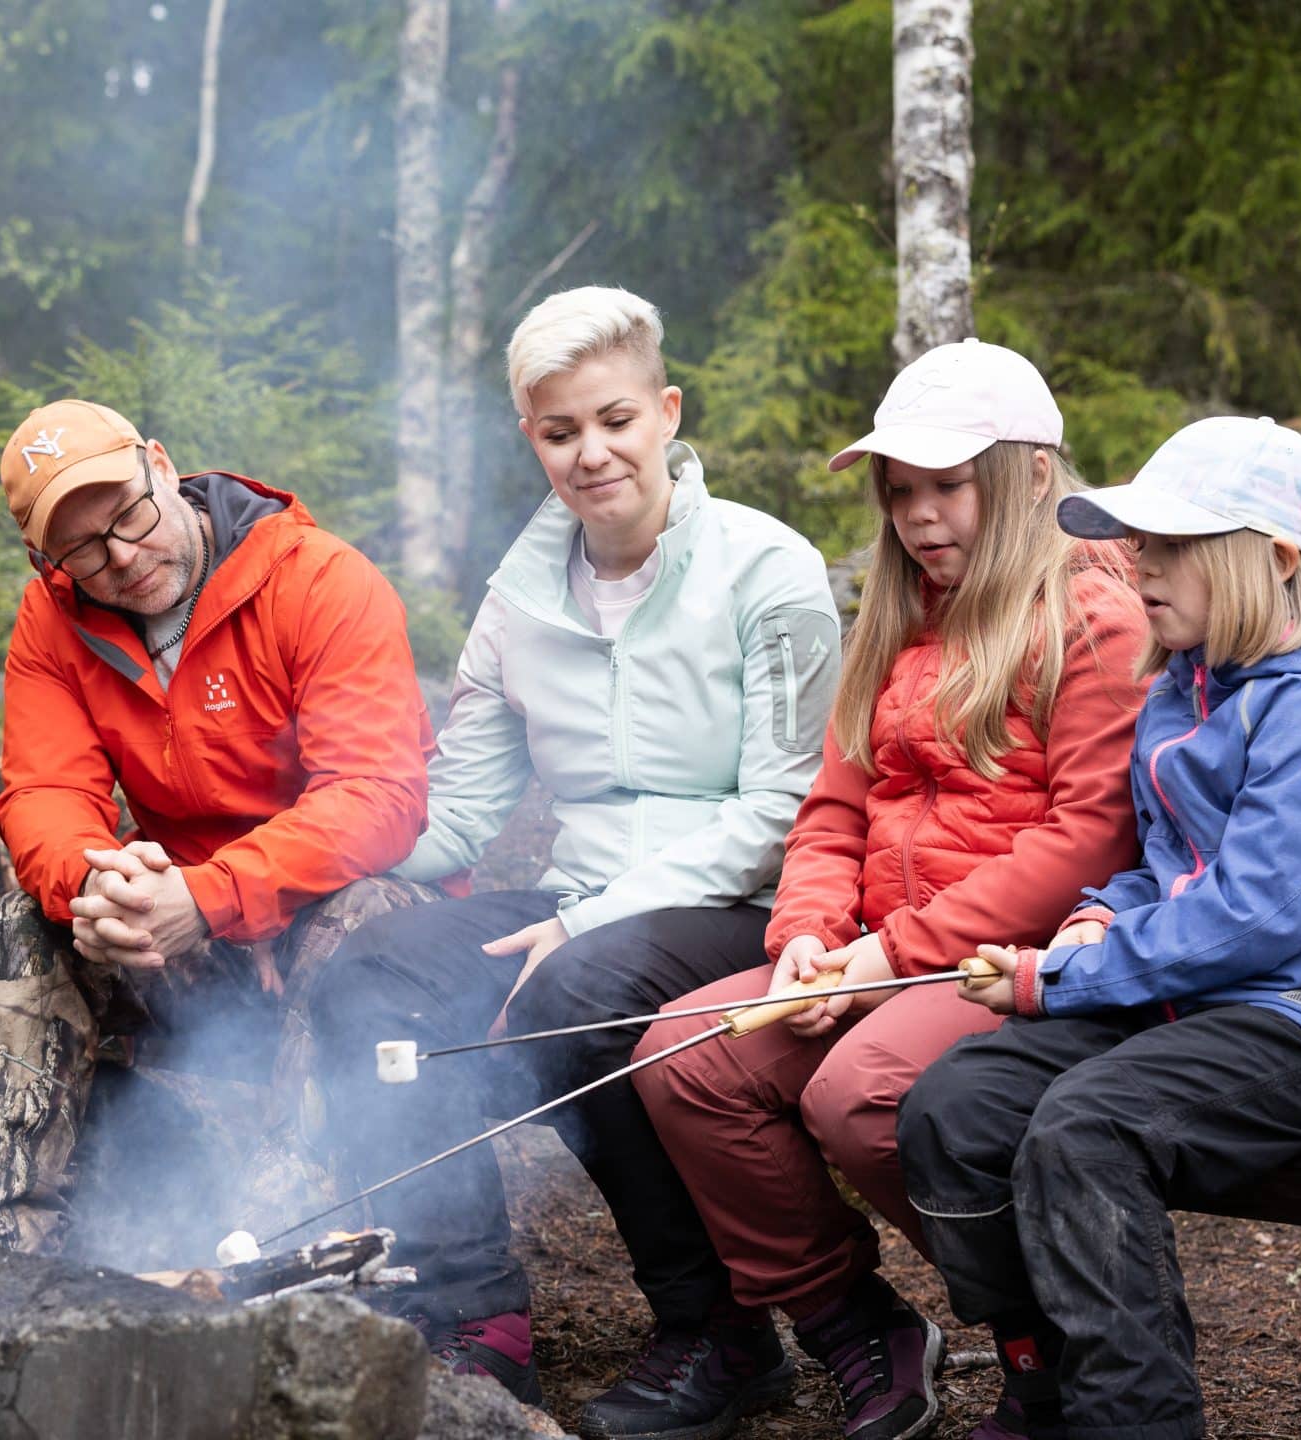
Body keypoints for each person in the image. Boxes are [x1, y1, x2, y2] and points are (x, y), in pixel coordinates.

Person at [303, 286, 841, 1423]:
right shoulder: (518, 603)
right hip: (579, 905)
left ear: (667, 412)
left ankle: (721, 1332)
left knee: (577, 988)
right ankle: (470, 1311)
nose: (591, 453)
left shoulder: (768, 568)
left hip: (748, 907)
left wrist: (587, 923)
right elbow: (456, 814)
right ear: (532, 439)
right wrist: (296, 857)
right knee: (377, 973)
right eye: (560, 432)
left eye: (615, 420)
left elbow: (784, 807)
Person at [630, 339, 1150, 1440]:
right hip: (880, 951)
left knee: (862, 1094)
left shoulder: (1093, 618)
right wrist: (807, 937)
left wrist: (890, 957)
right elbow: (833, 811)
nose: (918, 515)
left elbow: (1088, 840)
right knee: (685, 1058)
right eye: (899, 490)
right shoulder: (897, 619)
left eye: (947, 485)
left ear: (1031, 476)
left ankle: (1048, 1342)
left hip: (1023, 961)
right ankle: (853, 1322)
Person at [897, 416, 1301, 1440]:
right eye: (1139, 541)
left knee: (1086, 1129)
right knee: (957, 1105)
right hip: (1187, 1001)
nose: (1140, 565)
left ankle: (1137, 1419)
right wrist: (1098, 917)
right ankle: (1046, 1385)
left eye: (1171, 545)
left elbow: (1256, 914)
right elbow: (1166, 867)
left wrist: (1057, 980)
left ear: (1274, 560)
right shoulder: (1183, 688)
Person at [0, 397, 437, 1252]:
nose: (121, 557)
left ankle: (290, 1257)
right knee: (27, 927)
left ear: (160, 465)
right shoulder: (52, 620)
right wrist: (97, 885)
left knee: (365, 917)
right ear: (44, 558)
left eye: (129, 515)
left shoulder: (317, 581)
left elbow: (380, 793)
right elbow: (45, 792)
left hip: (338, 925)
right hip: (184, 938)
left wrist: (210, 897)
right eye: (82, 549)